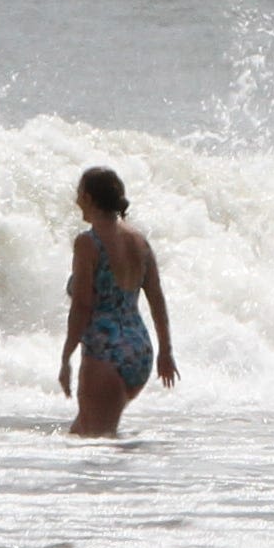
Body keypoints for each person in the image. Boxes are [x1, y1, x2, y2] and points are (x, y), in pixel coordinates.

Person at [56, 166, 176, 437]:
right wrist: (165, 352)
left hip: (104, 351)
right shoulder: (139, 241)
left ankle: (138, 480)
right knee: (81, 435)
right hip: (138, 350)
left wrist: (66, 356)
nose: (76, 201)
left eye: (78, 194)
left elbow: (82, 305)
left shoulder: (88, 243)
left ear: (88, 197)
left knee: (97, 449)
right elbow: (156, 299)